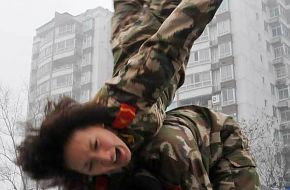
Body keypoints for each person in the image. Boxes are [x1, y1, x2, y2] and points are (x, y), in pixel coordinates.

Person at [17, 0, 261, 189]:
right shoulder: (93, 184)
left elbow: (169, 44)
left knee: (167, 146)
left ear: (98, 123)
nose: (107, 156)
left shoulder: (123, 100)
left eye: (96, 143)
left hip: (145, 36)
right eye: (91, 165)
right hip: (130, 40)